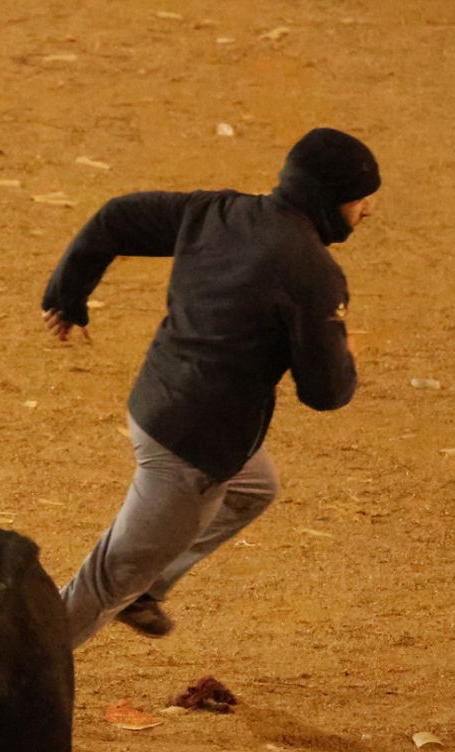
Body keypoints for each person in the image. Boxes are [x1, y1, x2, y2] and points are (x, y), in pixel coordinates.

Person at [41, 127, 380, 648]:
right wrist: (346, 355)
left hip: (156, 403)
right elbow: (324, 392)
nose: (367, 213)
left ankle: (148, 583)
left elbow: (116, 219)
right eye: (360, 201)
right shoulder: (314, 274)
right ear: (330, 202)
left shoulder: (217, 213)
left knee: (254, 486)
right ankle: (7, 677)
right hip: (193, 451)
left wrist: (67, 294)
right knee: (106, 581)